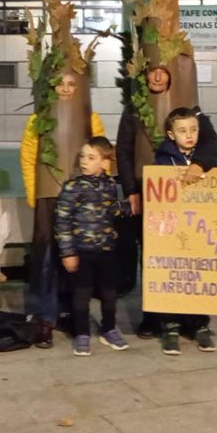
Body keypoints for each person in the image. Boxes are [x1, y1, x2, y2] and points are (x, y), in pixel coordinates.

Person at [116, 67, 217, 339]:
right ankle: (153, 316)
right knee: (152, 253)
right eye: (153, 72)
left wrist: (200, 164)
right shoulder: (134, 109)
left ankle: (190, 316)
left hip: (188, 196)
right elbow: (123, 151)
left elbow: (210, 140)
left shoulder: (192, 110)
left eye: (164, 71)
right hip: (146, 190)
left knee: (189, 253)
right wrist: (130, 190)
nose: (159, 78)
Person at [21, 70, 105, 347]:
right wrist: (35, 194)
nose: (66, 89)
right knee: (48, 258)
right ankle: (46, 315)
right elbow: (29, 156)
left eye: (72, 84)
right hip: (50, 197)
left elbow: (104, 157)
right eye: (60, 83)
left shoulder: (90, 120)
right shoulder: (38, 119)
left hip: (83, 201)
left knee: (77, 257)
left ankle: (72, 311)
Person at [151, 106, 217, 356]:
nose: (189, 135)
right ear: (171, 135)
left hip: (199, 226)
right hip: (172, 225)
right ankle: (170, 324)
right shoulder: (163, 158)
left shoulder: (205, 157)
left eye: (193, 130)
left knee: (197, 272)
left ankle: (200, 324)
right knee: (173, 271)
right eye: (182, 131)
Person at [54, 136, 126, 356]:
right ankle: (82, 333)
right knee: (81, 294)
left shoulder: (111, 185)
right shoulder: (72, 188)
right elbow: (62, 221)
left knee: (109, 293)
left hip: (106, 251)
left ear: (105, 163)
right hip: (81, 251)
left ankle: (109, 328)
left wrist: (130, 208)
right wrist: (68, 252)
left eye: (91, 157)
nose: (84, 161)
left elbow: (113, 211)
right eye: (83, 156)